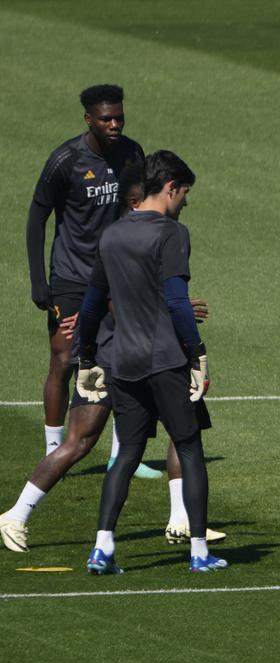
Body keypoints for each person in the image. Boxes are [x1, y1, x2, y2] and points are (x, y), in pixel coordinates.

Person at [0, 164, 224, 553]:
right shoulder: (139, 239)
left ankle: (179, 518)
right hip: (129, 357)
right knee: (84, 440)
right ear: (137, 201)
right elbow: (122, 303)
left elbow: (127, 300)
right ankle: (16, 515)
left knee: (175, 431)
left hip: (116, 355)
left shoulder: (118, 238)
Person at [73, 150, 225, 574]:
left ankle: (102, 547)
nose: (186, 202)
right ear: (171, 187)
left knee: (126, 455)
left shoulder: (112, 235)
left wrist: (85, 355)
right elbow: (177, 302)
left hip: (123, 361)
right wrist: (197, 353)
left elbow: (89, 306)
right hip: (165, 359)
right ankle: (198, 551)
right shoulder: (172, 233)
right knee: (190, 446)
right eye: (185, 193)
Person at [26, 85, 147, 461]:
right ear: (89, 120)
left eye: (119, 117)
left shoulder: (132, 153)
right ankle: (53, 447)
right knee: (64, 360)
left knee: (121, 359)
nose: (115, 124)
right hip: (71, 277)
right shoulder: (66, 160)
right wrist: (37, 281)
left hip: (115, 276)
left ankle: (120, 453)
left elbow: (138, 210)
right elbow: (36, 216)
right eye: (106, 118)